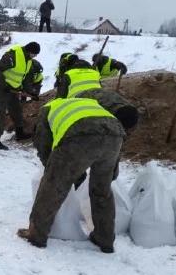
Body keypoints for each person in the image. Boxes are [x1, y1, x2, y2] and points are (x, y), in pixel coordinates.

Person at [17, 97, 137, 253]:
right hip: (115, 135)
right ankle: (105, 239)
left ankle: (36, 234)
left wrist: (52, 170)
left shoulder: (47, 110)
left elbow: (43, 145)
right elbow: (105, 139)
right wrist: (109, 174)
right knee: (102, 191)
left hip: (79, 133)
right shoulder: (90, 103)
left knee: (52, 186)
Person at [0, 42, 41, 150]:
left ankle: (20, 134)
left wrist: (32, 93)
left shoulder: (28, 61)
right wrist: (4, 86)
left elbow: (25, 79)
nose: (35, 56)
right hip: (0, 87)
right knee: (0, 112)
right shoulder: (13, 56)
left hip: (12, 89)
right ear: (29, 51)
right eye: (34, 54)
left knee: (16, 110)